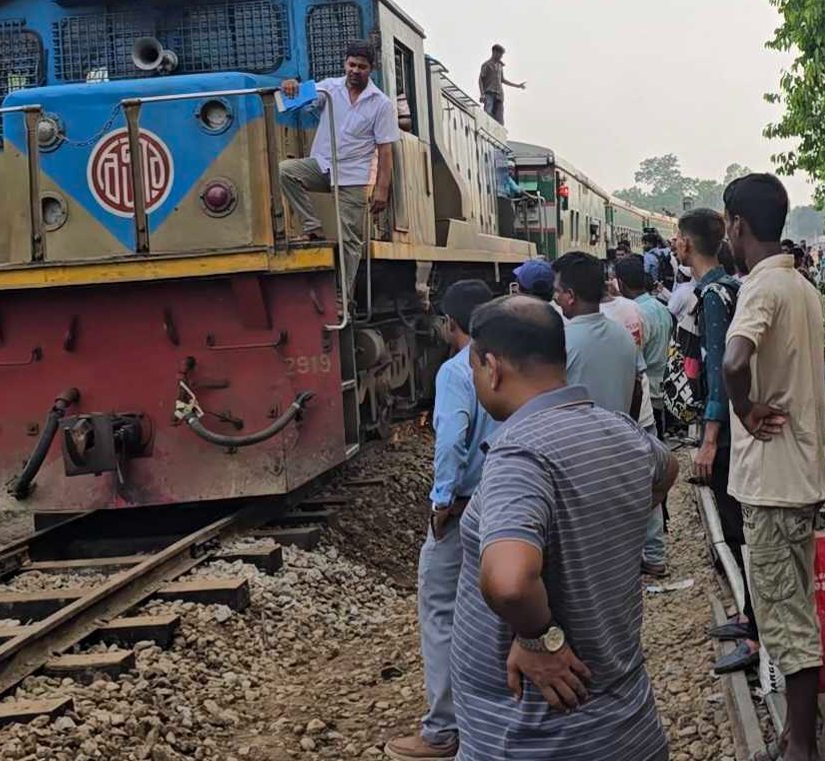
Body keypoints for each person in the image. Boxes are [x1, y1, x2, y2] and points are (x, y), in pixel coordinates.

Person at [452, 296, 677, 761]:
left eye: (474, 370)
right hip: (628, 729)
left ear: (492, 368)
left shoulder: (520, 455)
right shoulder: (621, 431)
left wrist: (539, 639)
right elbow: (668, 469)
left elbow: (510, 583)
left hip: (537, 740)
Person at [719, 174, 825, 761]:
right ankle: (794, 736)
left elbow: (735, 360)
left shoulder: (761, 289)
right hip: (801, 477)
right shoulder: (803, 288)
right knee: (793, 607)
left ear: (737, 223)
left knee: (786, 622)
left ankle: (800, 748)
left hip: (774, 483)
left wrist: (743, 407)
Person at [390, 281, 500, 761]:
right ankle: (496, 714)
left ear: (451, 324)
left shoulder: (458, 371)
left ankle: (443, 728)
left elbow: (452, 439)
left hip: (466, 507)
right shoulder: (515, 364)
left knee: (439, 610)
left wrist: (441, 501)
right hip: (509, 501)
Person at [678, 208, 757, 673]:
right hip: (735, 427)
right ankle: (749, 615)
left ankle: (753, 631)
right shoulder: (732, 288)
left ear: (688, 245)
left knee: (736, 530)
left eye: (677, 238)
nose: (674, 245)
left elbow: (718, 370)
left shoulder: (711, 295)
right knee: (737, 527)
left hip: (725, 432)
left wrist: (709, 439)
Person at [279, 43, 399, 288]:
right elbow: (291, 98)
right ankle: (312, 227)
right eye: (351, 65)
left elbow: (385, 150)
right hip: (322, 166)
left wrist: (382, 189)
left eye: (362, 67)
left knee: (349, 239)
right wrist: (289, 85)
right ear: (345, 64)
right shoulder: (328, 88)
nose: (355, 70)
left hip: (354, 176)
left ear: (371, 69)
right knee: (286, 171)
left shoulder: (381, 104)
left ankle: (342, 296)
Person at [617, 255, 675, 578]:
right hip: (660, 389)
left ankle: (649, 546)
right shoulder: (660, 308)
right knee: (656, 465)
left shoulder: (634, 314)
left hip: (645, 395)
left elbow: (634, 361)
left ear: (622, 284)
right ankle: (656, 538)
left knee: (645, 471)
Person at [551, 252, 641, 419]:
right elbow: (637, 390)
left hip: (578, 442)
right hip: (621, 438)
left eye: (558, 291)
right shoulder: (625, 336)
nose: (555, 298)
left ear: (570, 295)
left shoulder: (560, 342)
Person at [477, 43, 526, 123]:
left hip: (499, 95)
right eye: (500, 54)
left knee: (500, 119)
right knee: (488, 114)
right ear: (494, 52)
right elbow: (480, 80)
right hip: (489, 94)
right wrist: (482, 94)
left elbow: (503, 80)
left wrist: (517, 86)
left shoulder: (500, 66)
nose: (501, 56)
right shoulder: (486, 65)